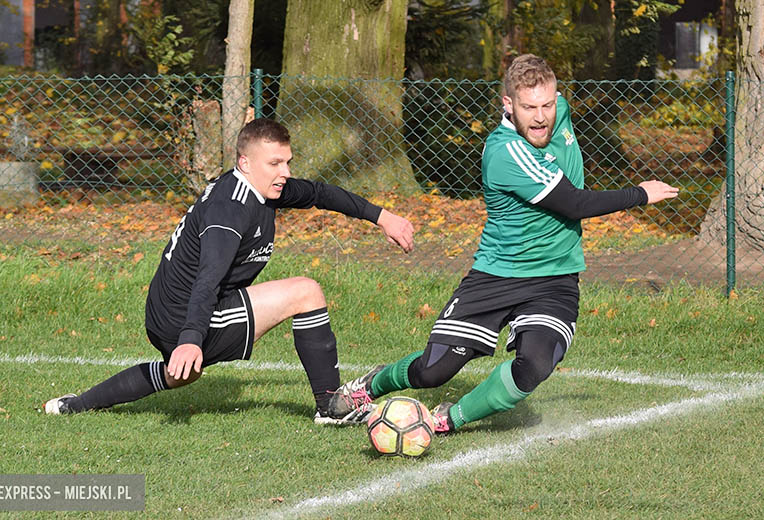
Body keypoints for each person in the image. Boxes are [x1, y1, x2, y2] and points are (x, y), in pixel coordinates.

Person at [329, 54, 679, 433]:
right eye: (529, 108)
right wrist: (640, 193)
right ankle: (371, 385)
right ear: (508, 105)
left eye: (547, 105)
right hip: (497, 277)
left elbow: (546, 93)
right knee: (433, 371)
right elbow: (574, 204)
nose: (541, 117)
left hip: (554, 279)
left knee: (536, 364)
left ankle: (449, 419)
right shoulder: (505, 152)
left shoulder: (554, 110)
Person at [44, 118, 414, 424]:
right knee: (305, 292)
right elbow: (209, 276)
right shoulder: (230, 209)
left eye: (287, 162)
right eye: (275, 164)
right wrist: (191, 338)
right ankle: (331, 407)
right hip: (186, 315)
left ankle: (74, 405)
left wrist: (382, 217)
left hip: (167, 313)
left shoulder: (260, 188)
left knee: (180, 375)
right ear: (245, 162)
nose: (285, 172)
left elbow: (319, 193)